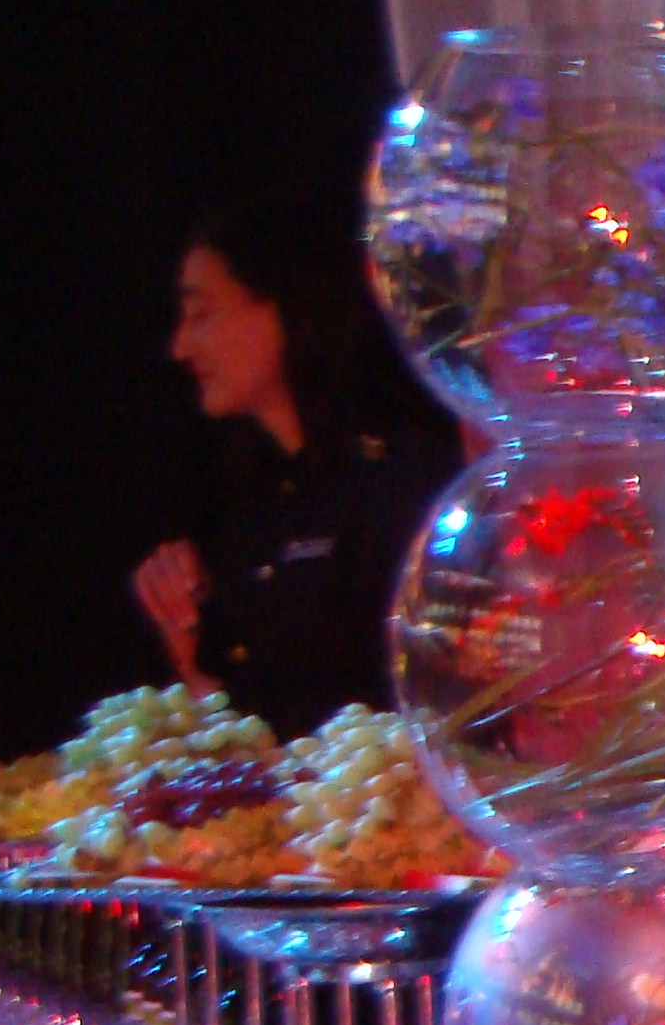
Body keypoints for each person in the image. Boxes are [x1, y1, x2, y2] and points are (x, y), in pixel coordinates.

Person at [130, 199, 462, 738]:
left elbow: (416, 713)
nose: (180, 347)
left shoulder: (404, 480)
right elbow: (245, 725)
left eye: (201, 314)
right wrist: (185, 637)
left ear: (283, 308)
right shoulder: (253, 503)